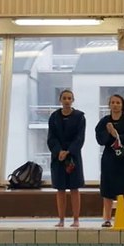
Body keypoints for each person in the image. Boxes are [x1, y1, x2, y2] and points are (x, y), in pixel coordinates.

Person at [95, 94, 124, 228]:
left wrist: (116, 135)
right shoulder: (104, 122)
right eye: (112, 102)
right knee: (107, 189)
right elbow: (100, 139)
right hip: (109, 157)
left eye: (118, 102)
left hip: (123, 157)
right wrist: (109, 134)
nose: (115, 105)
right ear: (109, 105)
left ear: (122, 105)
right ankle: (107, 218)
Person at [47, 89, 86, 228]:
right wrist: (59, 151)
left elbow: (80, 138)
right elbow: (51, 137)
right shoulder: (54, 117)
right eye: (64, 98)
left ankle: (76, 219)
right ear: (60, 100)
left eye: (69, 98)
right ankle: (61, 219)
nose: (67, 100)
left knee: (74, 188)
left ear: (73, 100)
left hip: (73, 157)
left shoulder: (80, 117)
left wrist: (69, 151)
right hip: (58, 157)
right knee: (60, 189)